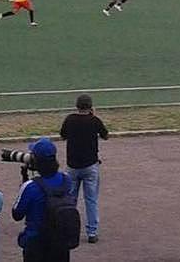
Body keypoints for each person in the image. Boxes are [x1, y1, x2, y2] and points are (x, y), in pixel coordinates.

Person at [12, 138, 76, 262]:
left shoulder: (31, 186)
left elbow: (17, 214)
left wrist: (25, 177)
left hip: (36, 244)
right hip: (60, 242)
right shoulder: (66, 180)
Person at [60, 94, 109, 244]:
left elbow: (63, 136)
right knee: (91, 200)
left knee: (70, 201)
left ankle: (68, 230)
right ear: (90, 107)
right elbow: (105, 135)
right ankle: (92, 232)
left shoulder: (70, 119)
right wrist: (94, 117)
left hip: (72, 166)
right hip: (90, 165)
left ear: (77, 106)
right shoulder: (94, 121)